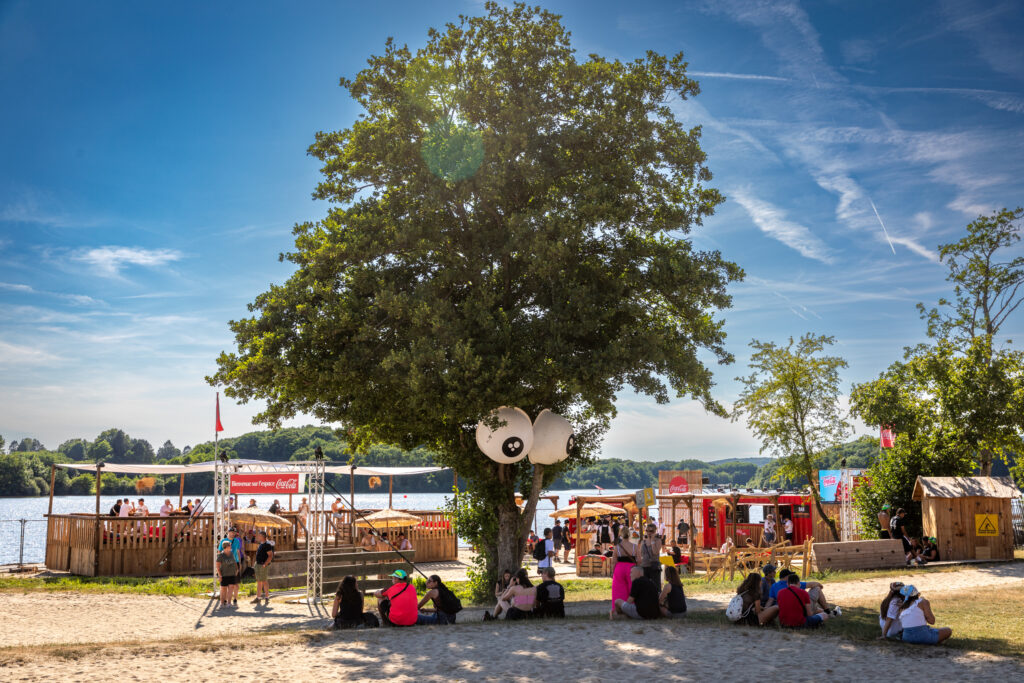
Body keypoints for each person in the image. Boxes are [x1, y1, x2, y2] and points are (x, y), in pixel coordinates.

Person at [768, 569, 839, 617]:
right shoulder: (794, 584)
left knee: (816, 609)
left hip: (784, 611)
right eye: (790, 576)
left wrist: (766, 609)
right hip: (800, 610)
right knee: (817, 589)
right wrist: (820, 585)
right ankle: (828, 611)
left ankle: (831, 613)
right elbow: (812, 584)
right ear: (787, 577)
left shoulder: (774, 586)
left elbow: (770, 600)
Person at [610, 527, 638, 612]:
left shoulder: (617, 547)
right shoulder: (635, 546)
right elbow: (639, 560)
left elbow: (614, 562)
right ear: (629, 534)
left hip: (619, 568)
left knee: (619, 589)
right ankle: (632, 608)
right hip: (632, 568)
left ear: (620, 535)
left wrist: (612, 572)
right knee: (633, 588)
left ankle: (618, 609)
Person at [219, 527, 244, 604]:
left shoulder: (236, 541)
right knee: (226, 583)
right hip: (226, 564)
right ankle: (225, 599)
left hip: (235, 563)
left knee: (236, 583)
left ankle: (235, 598)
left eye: (234, 532)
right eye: (232, 532)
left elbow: (238, 552)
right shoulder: (223, 541)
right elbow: (219, 552)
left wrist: (240, 563)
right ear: (228, 532)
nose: (233, 534)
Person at [251, 530, 274, 604]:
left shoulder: (267, 545)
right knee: (259, 581)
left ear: (263, 537)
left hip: (263, 565)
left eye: (259, 535)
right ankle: (258, 598)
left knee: (264, 581)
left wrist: (265, 564)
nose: (258, 537)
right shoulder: (261, 544)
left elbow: (270, 555)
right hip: (258, 564)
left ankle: (267, 597)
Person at [215, 542, 239, 608]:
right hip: (224, 575)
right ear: (226, 547)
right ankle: (222, 603)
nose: (231, 546)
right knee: (223, 589)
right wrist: (220, 576)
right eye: (230, 545)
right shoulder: (221, 555)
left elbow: (234, 562)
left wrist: (237, 569)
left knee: (231, 588)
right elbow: (217, 567)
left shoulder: (231, 553)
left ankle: (229, 603)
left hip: (232, 574)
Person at [639, 522, 663, 588]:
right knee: (645, 587)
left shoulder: (658, 541)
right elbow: (641, 553)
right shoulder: (643, 541)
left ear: (655, 531)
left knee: (655, 587)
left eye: (651, 531)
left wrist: (652, 540)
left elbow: (655, 552)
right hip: (644, 566)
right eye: (647, 530)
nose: (649, 532)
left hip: (654, 567)